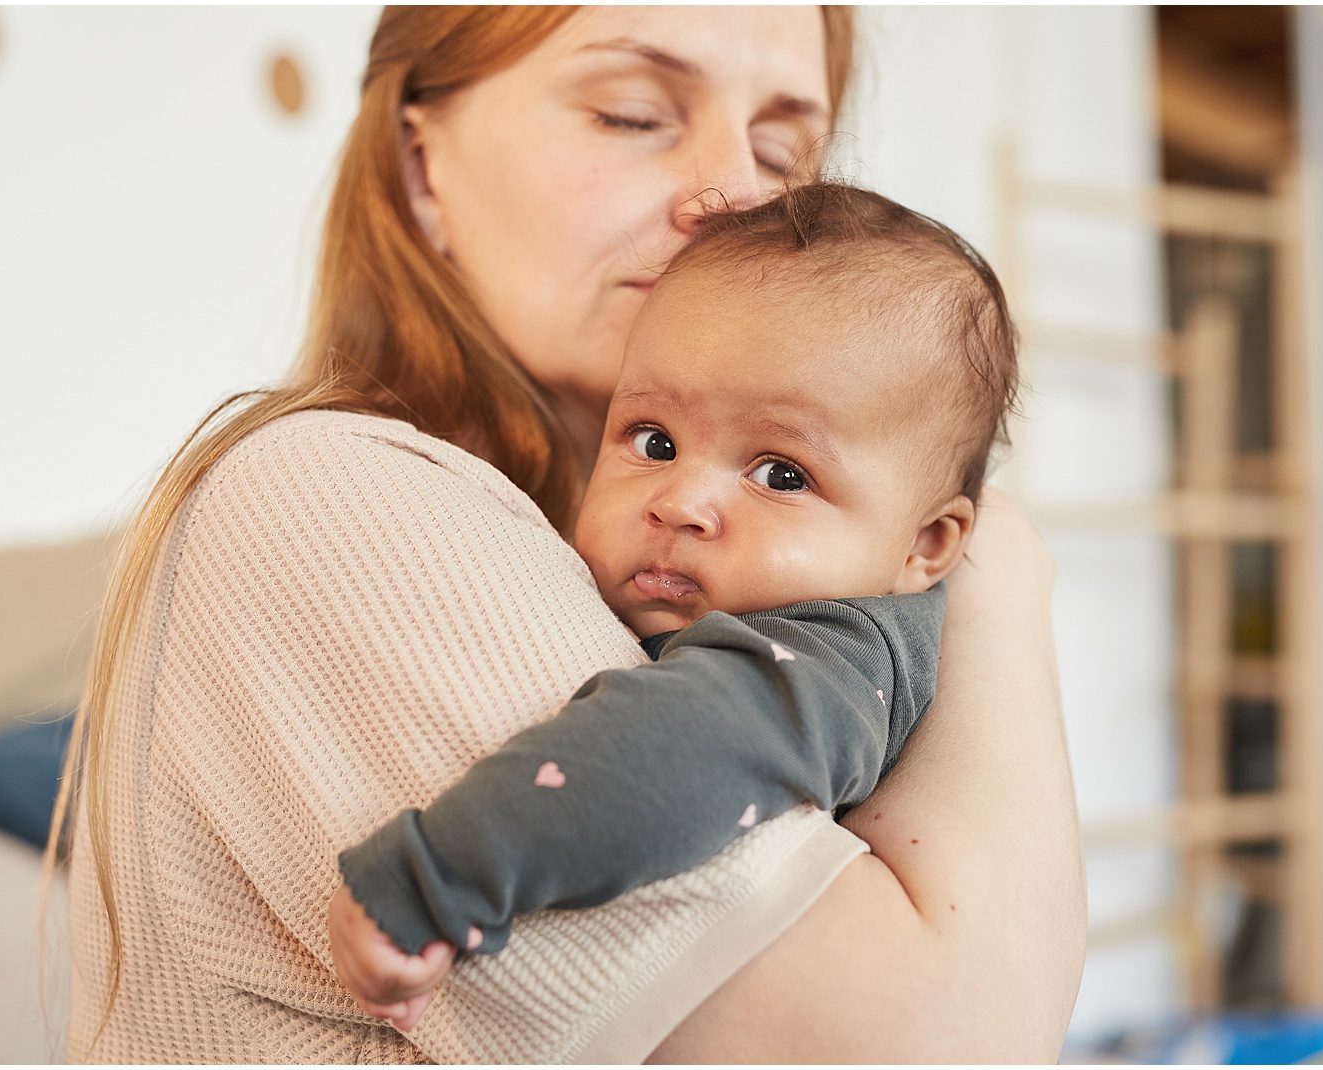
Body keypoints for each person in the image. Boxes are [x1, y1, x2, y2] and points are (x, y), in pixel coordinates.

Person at [52, 7, 1087, 1064]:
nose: (736, 193)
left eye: (783, 148)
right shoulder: (327, 497)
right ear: (422, 169)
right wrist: (997, 568)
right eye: (633, 114)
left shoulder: (660, 577)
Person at [327, 182, 1015, 1023]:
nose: (680, 499)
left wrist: (440, 876)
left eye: (781, 474)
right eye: (654, 442)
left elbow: (676, 752)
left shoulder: (834, 649)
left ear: (926, 547)